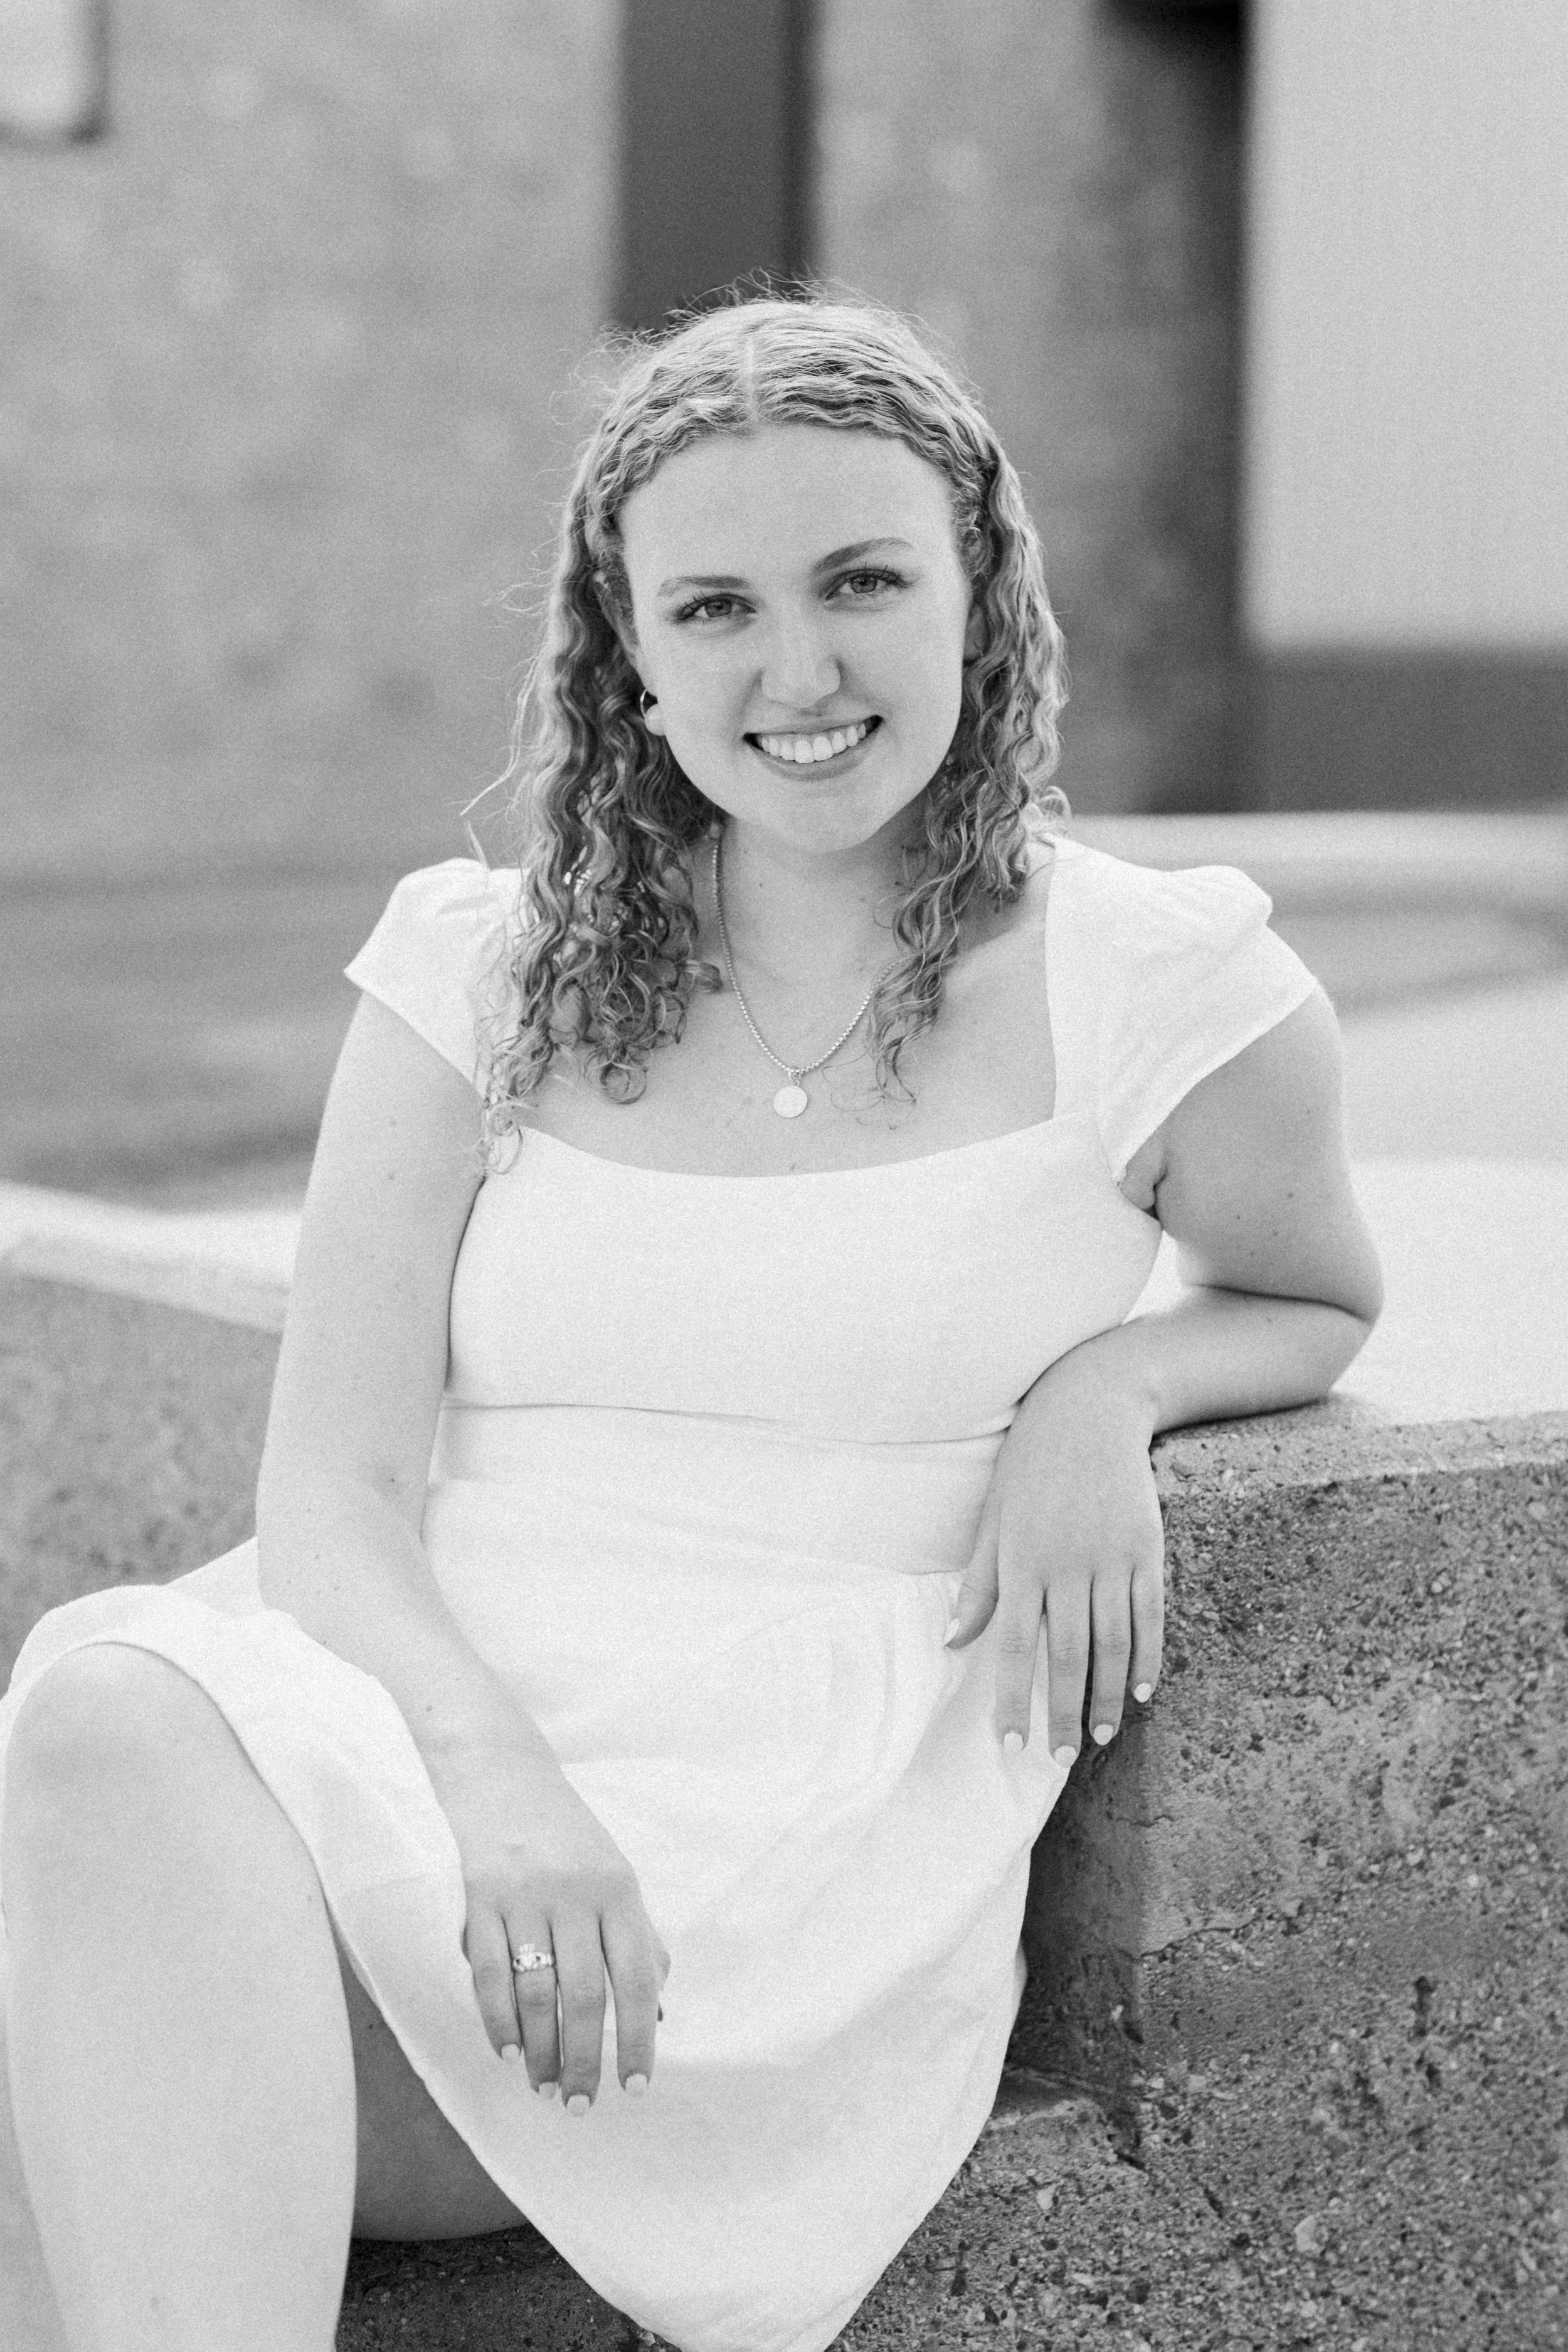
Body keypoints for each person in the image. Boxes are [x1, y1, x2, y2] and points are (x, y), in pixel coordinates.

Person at [0, 294, 1382, 2352]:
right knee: (100, 1719)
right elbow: (334, 1490)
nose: (796, 669)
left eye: (860, 583)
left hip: (766, 1844)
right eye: (715, 605)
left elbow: (1314, 1290)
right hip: (419, 1737)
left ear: (979, 595)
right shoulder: (473, 967)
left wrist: (1115, 1382)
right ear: (628, 650)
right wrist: (497, 1784)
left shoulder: (1158, 988)